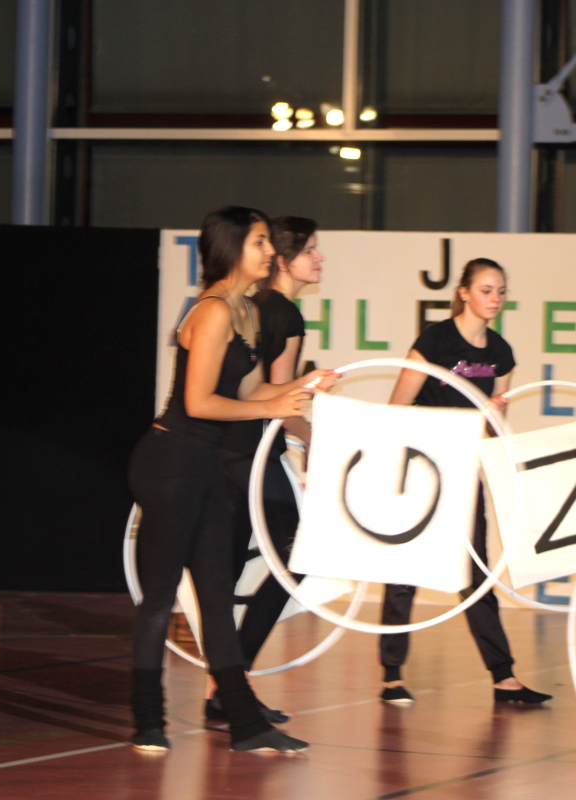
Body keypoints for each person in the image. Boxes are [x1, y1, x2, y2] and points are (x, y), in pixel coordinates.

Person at [127, 206, 332, 754]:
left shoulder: (244, 311)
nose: (270, 252)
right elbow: (198, 402)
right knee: (159, 597)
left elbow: (250, 392)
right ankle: (148, 720)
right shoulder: (214, 311)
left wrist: (304, 387)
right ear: (231, 248)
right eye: (260, 242)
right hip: (170, 462)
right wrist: (275, 405)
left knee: (216, 596)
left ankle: (245, 723)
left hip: (206, 465)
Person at [377, 258, 552, 706]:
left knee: (476, 572)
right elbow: (398, 407)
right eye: (486, 290)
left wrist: (492, 418)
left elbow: (493, 427)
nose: (495, 299)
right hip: (422, 468)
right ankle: (392, 674)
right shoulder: (434, 341)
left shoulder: (501, 353)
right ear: (464, 293)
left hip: (464, 469)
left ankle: (503, 676)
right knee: (405, 569)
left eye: (501, 292)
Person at [209, 217, 323, 725]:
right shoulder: (285, 315)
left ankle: (224, 688)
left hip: (226, 451)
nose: (319, 259)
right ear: (285, 259)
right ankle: (233, 680)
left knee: (230, 566)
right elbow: (276, 400)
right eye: (311, 250)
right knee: (294, 556)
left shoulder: (254, 306)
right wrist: (316, 436)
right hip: (251, 454)